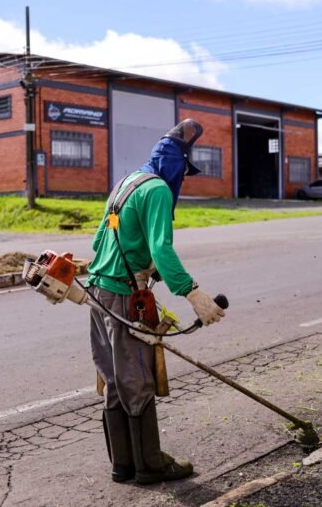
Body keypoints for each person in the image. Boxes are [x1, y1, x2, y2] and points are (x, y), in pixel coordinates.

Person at [86, 119, 225, 485]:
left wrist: (143, 265)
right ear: (178, 163)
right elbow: (162, 247)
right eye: (184, 169)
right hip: (121, 296)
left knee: (114, 377)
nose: (183, 177)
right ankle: (149, 464)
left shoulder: (127, 182)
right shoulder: (159, 190)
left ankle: (123, 464)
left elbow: (104, 239)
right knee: (137, 378)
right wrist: (193, 293)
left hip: (97, 291)